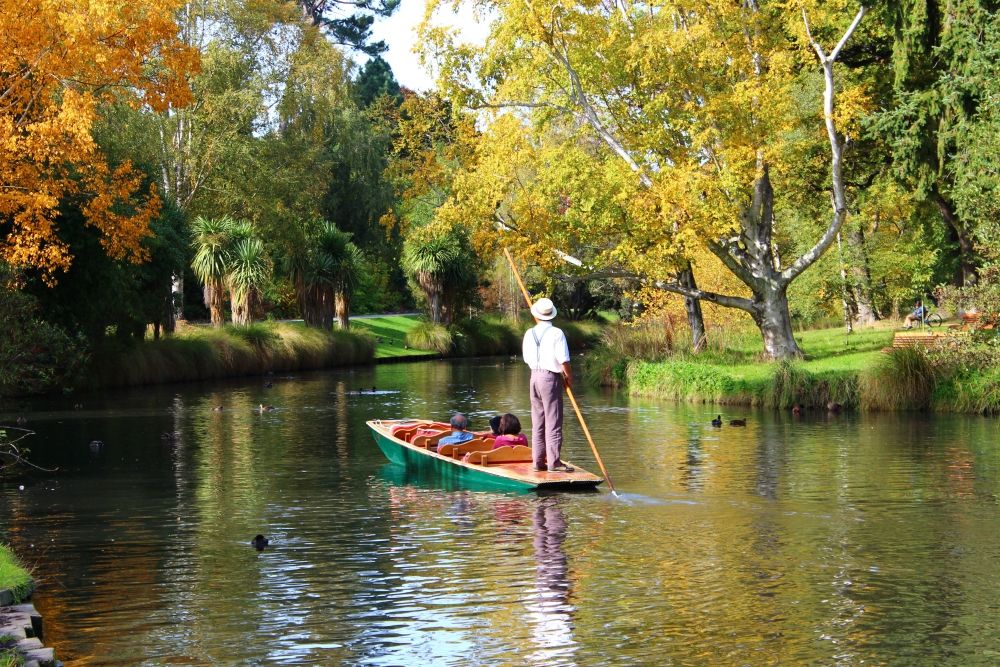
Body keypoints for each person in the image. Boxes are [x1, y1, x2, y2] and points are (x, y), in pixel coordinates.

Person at [522, 297, 574, 473]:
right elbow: (563, 359)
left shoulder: (530, 333)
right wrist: (568, 376)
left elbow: (526, 358)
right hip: (550, 378)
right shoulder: (556, 333)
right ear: (551, 315)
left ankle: (538, 462)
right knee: (554, 420)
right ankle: (554, 463)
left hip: (534, 377)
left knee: (538, 421)